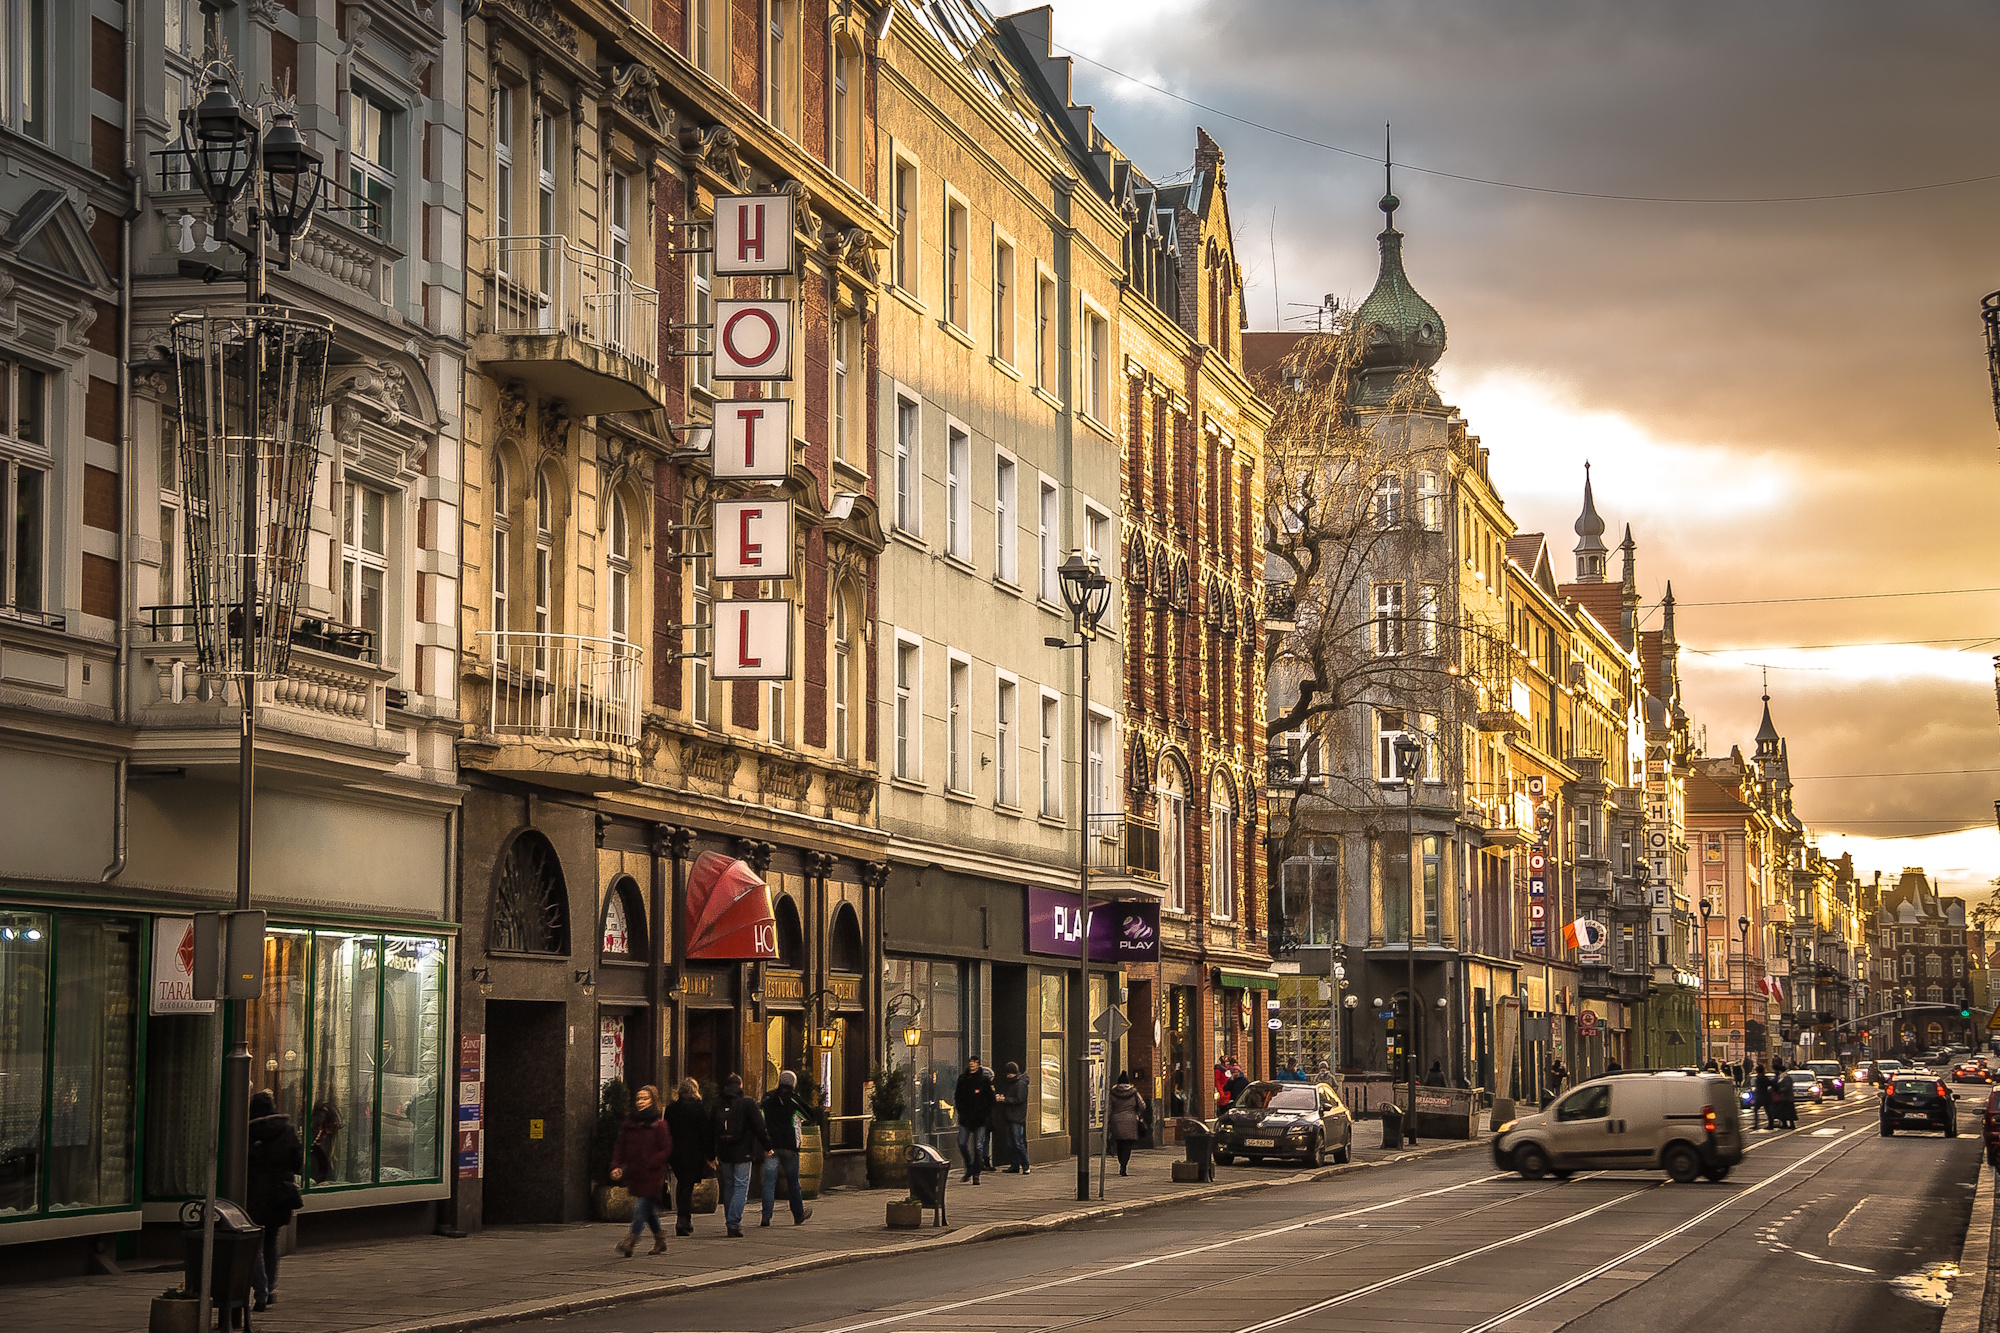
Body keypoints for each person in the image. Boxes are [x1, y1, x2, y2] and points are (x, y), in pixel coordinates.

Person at [244, 1090, 303, 1312]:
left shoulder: (247, 1131)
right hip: (280, 1194)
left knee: (255, 1244)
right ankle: (270, 1289)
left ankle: (260, 1293)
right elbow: (297, 1162)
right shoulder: (286, 1130)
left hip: (254, 1194)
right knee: (270, 1241)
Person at [610, 1084, 673, 1256]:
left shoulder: (659, 1125)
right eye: (638, 1098)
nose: (641, 1102)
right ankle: (660, 1239)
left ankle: (630, 1240)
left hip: (652, 1174)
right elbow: (620, 1146)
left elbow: (666, 1149)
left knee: (641, 1206)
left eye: (645, 1098)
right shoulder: (630, 1124)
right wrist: (616, 1165)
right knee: (648, 1209)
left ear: (653, 1101)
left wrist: (652, 1162)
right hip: (635, 1173)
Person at [710, 1073, 771, 1237]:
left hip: (725, 1152)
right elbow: (759, 1126)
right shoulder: (747, 1103)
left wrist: (711, 1154)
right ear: (741, 1086)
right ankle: (733, 1223)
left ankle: (730, 1221)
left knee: (729, 1185)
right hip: (743, 1151)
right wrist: (768, 1146)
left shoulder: (717, 1104)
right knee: (741, 1186)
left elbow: (711, 1131)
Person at [757, 1071, 815, 1228]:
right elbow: (809, 1114)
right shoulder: (794, 1100)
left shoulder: (768, 1099)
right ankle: (798, 1214)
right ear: (793, 1084)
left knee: (769, 1182)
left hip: (771, 1146)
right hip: (790, 1146)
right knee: (793, 1182)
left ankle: (766, 1216)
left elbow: (759, 1116)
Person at [663, 1079, 714, 1237]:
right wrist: (710, 1156)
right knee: (687, 1186)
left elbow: (666, 1131)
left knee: (682, 1184)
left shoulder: (671, 1109)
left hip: (676, 1154)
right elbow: (706, 1133)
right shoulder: (698, 1108)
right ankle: (683, 1220)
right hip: (693, 1153)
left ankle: (684, 1218)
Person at [951, 1057, 997, 1184]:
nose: (972, 1065)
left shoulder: (983, 1080)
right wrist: (961, 1111)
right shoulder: (963, 1079)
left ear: (978, 1065)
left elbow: (990, 1100)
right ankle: (969, 1167)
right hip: (965, 1118)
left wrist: (985, 1113)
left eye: (974, 1063)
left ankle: (976, 1173)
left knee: (978, 1146)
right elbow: (957, 1096)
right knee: (961, 1143)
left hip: (980, 1119)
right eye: (970, 1062)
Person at [1107, 1071, 1148, 1176]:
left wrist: (1107, 1122)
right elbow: (1142, 1105)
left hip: (1116, 1121)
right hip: (1131, 1121)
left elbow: (1109, 1109)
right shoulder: (1134, 1092)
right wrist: (1136, 1111)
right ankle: (1123, 1165)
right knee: (1127, 1145)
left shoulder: (1112, 1093)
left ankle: (1121, 1161)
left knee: (1119, 1143)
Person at [999, 1062, 1031, 1173]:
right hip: (1010, 1116)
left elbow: (1020, 1099)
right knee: (1011, 1143)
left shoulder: (1020, 1083)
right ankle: (1015, 1165)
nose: (1007, 1076)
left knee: (1018, 1143)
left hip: (1017, 1117)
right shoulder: (1014, 1083)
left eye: (1008, 1073)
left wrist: (1005, 1100)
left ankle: (1025, 1165)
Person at [1751, 1062, 1772, 1131]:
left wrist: (1754, 1093)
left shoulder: (1759, 1078)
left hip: (1760, 1096)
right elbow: (1771, 1084)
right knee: (1767, 1110)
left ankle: (1756, 1124)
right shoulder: (1765, 1078)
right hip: (1765, 1096)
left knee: (1756, 1110)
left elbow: (1758, 1088)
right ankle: (1770, 1124)